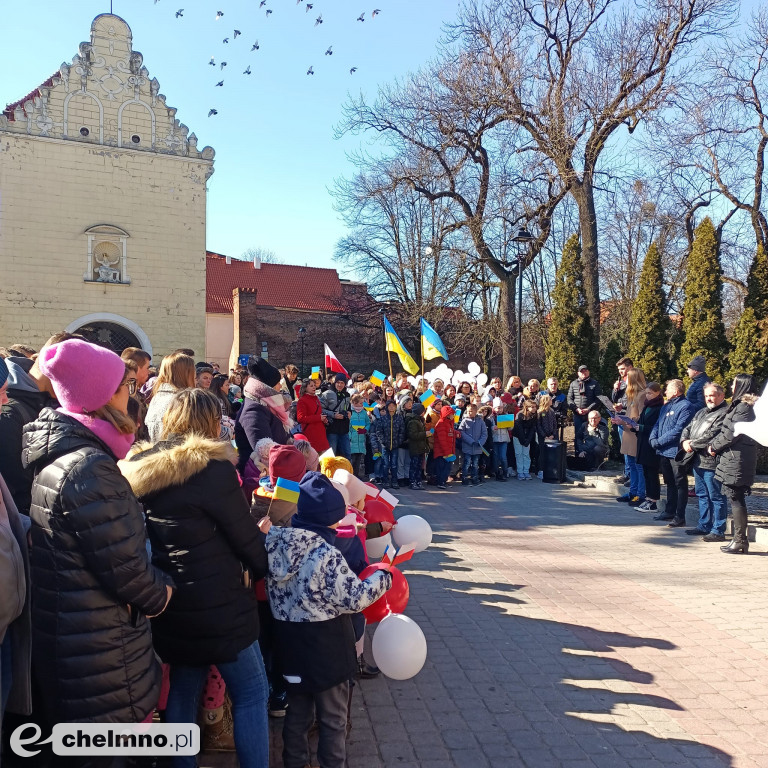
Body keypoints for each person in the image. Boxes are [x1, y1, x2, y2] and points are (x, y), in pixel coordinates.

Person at [22, 339, 173, 732]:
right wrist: (164, 593)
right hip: (101, 651)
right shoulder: (90, 468)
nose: (132, 394)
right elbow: (127, 570)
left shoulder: (67, 455)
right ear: (105, 397)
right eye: (124, 387)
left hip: (79, 638)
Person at [120, 388, 270, 768]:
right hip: (221, 603)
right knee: (252, 691)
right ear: (208, 422)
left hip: (170, 598)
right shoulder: (213, 469)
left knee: (184, 691)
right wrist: (264, 564)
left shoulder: (140, 467)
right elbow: (244, 536)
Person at [265, 472, 392, 768]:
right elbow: (355, 597)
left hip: (289, 645)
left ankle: (294, 763)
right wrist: (383, 577)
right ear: (330, 519)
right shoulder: (326, 554)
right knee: (333, 718)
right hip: (326, 648)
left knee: (297, 715)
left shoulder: (275, 543)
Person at [0, 332, 78, 515]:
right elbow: (15, 487)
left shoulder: (44, 401)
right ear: (56, 366)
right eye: (74, 378)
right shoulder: (9, 410)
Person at [710, 374, 760, 554]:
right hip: (733, 457)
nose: (731, 385)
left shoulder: (745, 407)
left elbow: (732, 433)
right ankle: (739, 540)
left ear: (742, 385)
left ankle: (740, 540)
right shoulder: (740, 405)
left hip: (738, 458)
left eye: (734, 383)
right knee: (735, 497)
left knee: (736, 498)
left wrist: (713, 446)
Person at [679, 382, 729, 540]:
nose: (709, 398)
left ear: (721, 395)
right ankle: (704, 524)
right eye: (707, 396)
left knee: (716, 496)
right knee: (702, 494)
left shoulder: (725, 413)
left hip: (712, 462)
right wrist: (684, 441)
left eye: (712, 395)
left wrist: (692, 444)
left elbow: (712, 434)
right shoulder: (701, 412)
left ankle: (718, 529)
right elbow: (688, 428)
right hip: (697, 460)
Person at [648, 379, 698, 527]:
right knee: (669, 482)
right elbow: (658, 424)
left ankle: (679, 515)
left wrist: (659, 441)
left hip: (676, 452)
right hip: (663, 451)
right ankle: (669, 511)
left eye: (668, 389)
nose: (665, 392)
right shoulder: (666, 406)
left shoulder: (686, 406)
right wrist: (653, 438)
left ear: (676, 391)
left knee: (679, 483)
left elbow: (679, 429)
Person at [235, 358, 292, 475]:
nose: (280, 387)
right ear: (268, 386)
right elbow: (265, 454)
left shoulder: (266, 403)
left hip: (276, 470)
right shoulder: (254, 409)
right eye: (277, 383)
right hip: (261, 477)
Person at [612, 368, 647, 506]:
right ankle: (632, 492)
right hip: (628, 433)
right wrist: (619, 417)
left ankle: (640, 494)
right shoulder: (632, 395)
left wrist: (624, 421)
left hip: (635, 435)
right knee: (632, 464)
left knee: (638, 466)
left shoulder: (642, 395)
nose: (624, 379)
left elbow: (641, 417)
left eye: (628, 377)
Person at [145, 351, 196, 443]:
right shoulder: (184, 400)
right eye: (193, 371)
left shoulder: (157, 397)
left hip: (155, 453)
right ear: (186, 374)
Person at [635, 383, 665, 512]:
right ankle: (648, 498)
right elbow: (642, 421)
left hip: (651, 443)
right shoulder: (647, 406)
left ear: (658, 393)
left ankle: (654, 500)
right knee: (646, 472)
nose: (648, 396)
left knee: (652, 472)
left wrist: (641, 428)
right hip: (642, 442)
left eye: (650, 393)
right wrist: (634, 426)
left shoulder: (659, 407)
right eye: (646, 393)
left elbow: (657, 427)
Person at [371, 400, 405, 489]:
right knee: (385, 464)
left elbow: (402, 431)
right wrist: (382, 441)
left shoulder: (399, 418)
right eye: (389, 406)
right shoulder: (383, 419)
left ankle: (394, 481)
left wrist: (399, 441)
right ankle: (385, 480)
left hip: (395, 445)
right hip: (385, 445)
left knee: (394, 464)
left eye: (393, 406)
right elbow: (379, 431)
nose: (391, 407)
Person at [320, 374, 352, 459]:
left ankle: (347, 471)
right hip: (332, 429)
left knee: (347, 454)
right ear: (334, 382)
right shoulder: (327, 394)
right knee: (331, 455)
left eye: (342, 383)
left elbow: (348, 407)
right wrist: (333, 415)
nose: (340, 385)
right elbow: (320, 409)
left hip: (344, 429)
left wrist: (349, 412)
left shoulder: (347, 395)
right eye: (338, 382)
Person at [296, 379, 330, 454]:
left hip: (321, 433)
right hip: (311, 434)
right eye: (311, 386)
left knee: (327, 460)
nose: (314, 387)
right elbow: (300, 418)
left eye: (314, 385)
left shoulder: (316, 399)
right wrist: (318, 418)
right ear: (305, 388)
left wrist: (323, 419)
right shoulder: (302, 400)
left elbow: (318, 414)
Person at [567, 365, 602, 436]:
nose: (583, 373)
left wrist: (588, 409)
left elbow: (598, 399)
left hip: (591, 416)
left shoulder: (595, 383)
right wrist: (576, 409)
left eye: (585, 371)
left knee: (591, 435)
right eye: (581, 371)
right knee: (578, 435)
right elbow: (569, 399)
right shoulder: (573, 384)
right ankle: (578, 447)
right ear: (578, 373)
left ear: (588, 372)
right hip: (577, 415)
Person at [458, 402, 487, 486]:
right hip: (468, 446)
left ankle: (474, 478)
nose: (469, 413)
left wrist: (480, 442)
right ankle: (464, 478)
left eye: (471, 411)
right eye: (468, 411)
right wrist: (470, 441)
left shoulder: (480, 421)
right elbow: (461, 432)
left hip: (477, 447)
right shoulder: (464, 421)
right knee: (467, 463)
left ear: (475, 411)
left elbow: (484, 433)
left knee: (475, 464)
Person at [432, 405, 457, 490]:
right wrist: (447, 453)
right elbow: (442, 440)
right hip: (442, 452)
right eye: (451, 414)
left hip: (448, 452)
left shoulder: (449, 423)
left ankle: (443, 481)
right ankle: (440, 482)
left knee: (447, 468)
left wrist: (456, 433)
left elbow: (450, 434)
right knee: (441, 468)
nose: (453, 416)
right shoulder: (441, 423)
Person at [512, 399, 538, 479]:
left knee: (526, 454)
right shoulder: (520, 415)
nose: (534, 409)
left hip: (527, 437)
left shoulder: (534, 416)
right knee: (519, 454)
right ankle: (520, 472)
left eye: (535, 407)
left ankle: (526, 471)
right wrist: (523, 440)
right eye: (532, 407)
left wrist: (528, 440)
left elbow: (532, 429)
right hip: (518, 437)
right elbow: (518, 428)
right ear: (527, 407)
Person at [406, 402, 428, 490]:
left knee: (419, 466)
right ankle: (412, 482)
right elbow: (413, 435)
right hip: (415, 447)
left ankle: (418, 481)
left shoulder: (420, 420)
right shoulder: (413, 421)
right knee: (414, 466)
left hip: (421, 447)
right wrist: (425, 434)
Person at [348, 393, 370, 478]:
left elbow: (368, 423)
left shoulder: (364, 413)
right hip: (352, 441)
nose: (362, 404)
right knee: (352, 460)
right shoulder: (350, 412)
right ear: (355, 402)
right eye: (360, 403)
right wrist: (350, 436)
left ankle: (356, 476)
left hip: (361, 440)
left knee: (358, 460)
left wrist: (365, 430)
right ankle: (351, 476)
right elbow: (348, 426)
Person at [536, 394, 558, 479]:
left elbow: (554, 424)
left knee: (550, 454)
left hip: (551, 436)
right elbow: (538, 425)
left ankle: (549, 469)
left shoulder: (552, 411)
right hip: (543, 437)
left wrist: (553, 434)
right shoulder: (540, 412)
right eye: (550, 400)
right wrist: (544, 436)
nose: (551, 401)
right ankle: (540, 470)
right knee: (542, 453)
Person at [491, 398, 512, 481]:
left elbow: (511, 428)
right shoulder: (491, 417)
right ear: (494, 408)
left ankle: (505, 471)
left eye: (501, 407)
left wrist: (508, 424)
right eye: (497, 408)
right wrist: (493, 428)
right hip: (495, 440)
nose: (499, 409)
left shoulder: (506, 416)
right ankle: (497, 473)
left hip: (504, 439)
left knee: (503, 457)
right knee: (496, 457)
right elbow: (489, 428)